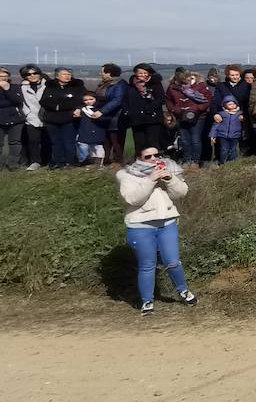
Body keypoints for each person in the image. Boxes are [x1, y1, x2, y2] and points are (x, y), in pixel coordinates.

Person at [117, 144, 197, 316]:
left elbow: (181, 193)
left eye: (157, 155)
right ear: (138, 157)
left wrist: (170, 179)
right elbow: (133, 199)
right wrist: (150, 179)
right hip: (140, 226)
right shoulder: (127, 175)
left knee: (173, 261)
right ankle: (147, 301)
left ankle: (183, 291)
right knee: (147, 265)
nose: (154, 159)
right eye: (148, 157)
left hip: (167, 222)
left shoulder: (169, 168)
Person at [39, 67, 85, 169]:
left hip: (70, 118)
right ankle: (57, 162)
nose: (67, 76)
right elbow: (44, 101)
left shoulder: (77, 87)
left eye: (69, 74)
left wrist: (62, 106)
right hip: (52, 119)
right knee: (56, 142)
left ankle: (70, 162)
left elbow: (79, 100)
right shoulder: (50, 87)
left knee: (69, 141)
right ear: (57, 76)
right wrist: (58, 106)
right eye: (64, 74)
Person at [124, 64, 166, 157]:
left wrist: (148, 108)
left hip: (152, 118)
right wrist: (127, 111)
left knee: (152, 142)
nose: (142, 75)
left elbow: (161, 99)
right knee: (139, 143)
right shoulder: (131, 85)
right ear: (135, 74)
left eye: (145, 73)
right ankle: (140, 162)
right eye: (140, 73)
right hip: (136, 118)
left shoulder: (156, 84)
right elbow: (126, 99)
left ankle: (155, 162)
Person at [91, 63, 128, 166]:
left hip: (116, 117)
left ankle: (117, 162)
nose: (100, 73)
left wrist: (102, 111)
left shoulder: (120, 84)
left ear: (109, 73)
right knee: (105, 141)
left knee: (116, 141)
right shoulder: (104, 84)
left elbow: (117, 100)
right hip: (105, 117)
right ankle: (106, 160)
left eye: (102, 71)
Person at [18, 65, 47, 170]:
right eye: (28, 74)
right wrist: (27, 113)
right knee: (33, 140)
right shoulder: (22, 87)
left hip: (47, 116)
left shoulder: (48, 85)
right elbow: (21, 102)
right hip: (31, 117)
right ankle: (35, 161)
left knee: (47, 140)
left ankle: (47, 160)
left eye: (35, 73)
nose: (32, 76)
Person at [0, 68, 23, 170]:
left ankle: (13, 163)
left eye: (5, 76)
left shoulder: (14, 87)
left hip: (15, 118)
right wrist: (8, 102)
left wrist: (7, 90)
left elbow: (17, 100)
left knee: (15, 142)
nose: (3, 78)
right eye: (1, 76)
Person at [209, 97, 243, 164]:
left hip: (235, 135)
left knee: (233, 149)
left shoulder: (239, 114)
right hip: (223, 136)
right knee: (224, 149)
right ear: (225, 105)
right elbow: (216, 125)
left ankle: (232, 162)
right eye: (229, 104)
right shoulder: (222, 114)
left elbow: (244, 125)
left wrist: (243, 119)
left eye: (233, 104)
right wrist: (212, 135)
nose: (232, 105)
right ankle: (223, 162)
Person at [76, 91, 106, 166]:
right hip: (84, 131)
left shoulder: (101, 109)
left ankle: (98, 164)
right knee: (83, 147)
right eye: (85, 100)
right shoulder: (81, 110)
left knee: (98, 148)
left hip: (97, 131)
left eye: (91, 99)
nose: (88, 101)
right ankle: (84, 162)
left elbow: (105, 119)